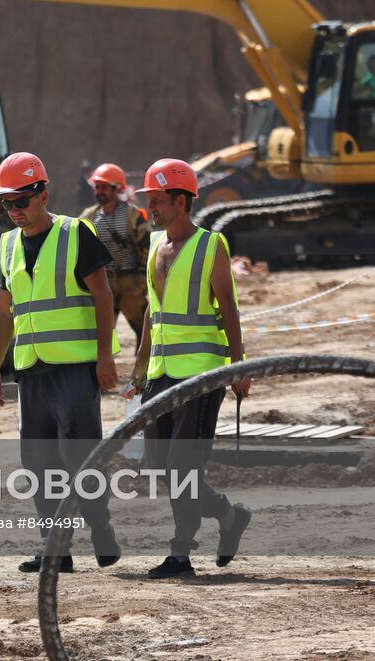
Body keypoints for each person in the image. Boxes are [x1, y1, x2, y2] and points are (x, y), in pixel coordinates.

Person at [0, 152, 122, 573]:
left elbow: (103, 295)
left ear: (43, 193)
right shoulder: (8, 245)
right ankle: (55, 547)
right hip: (31, 371)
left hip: (77, 369)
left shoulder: (74, 233)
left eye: (21, 201)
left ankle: (100, 528)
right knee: (39, 463)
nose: (14, 211)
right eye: (6, 204)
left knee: (79, 457)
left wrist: (104, 357)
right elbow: (3, 312)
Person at [127, 157, 252, 580]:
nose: (151, 209)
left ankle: (181, 552)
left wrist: (238, 366)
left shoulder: (210, 245)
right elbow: (152, 310)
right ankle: (228, 515)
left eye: (158, 200)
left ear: (181, 200)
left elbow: (229, 309)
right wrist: (141, 364)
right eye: (148, 201)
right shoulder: (154, 247)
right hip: (161, 372)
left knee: (184, 467)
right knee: (160, 465)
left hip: (201, 373)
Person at [79, 163, 150, 347]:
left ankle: (144, 372)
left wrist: (142, 275)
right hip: (103, 282)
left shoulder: (132, 214)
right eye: (97, 187)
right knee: (100, 336)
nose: (99, 191)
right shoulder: (88, 217)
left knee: (144, 333)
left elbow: (147, 246)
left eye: (104, 187)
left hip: (130, 283)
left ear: (116, 188)